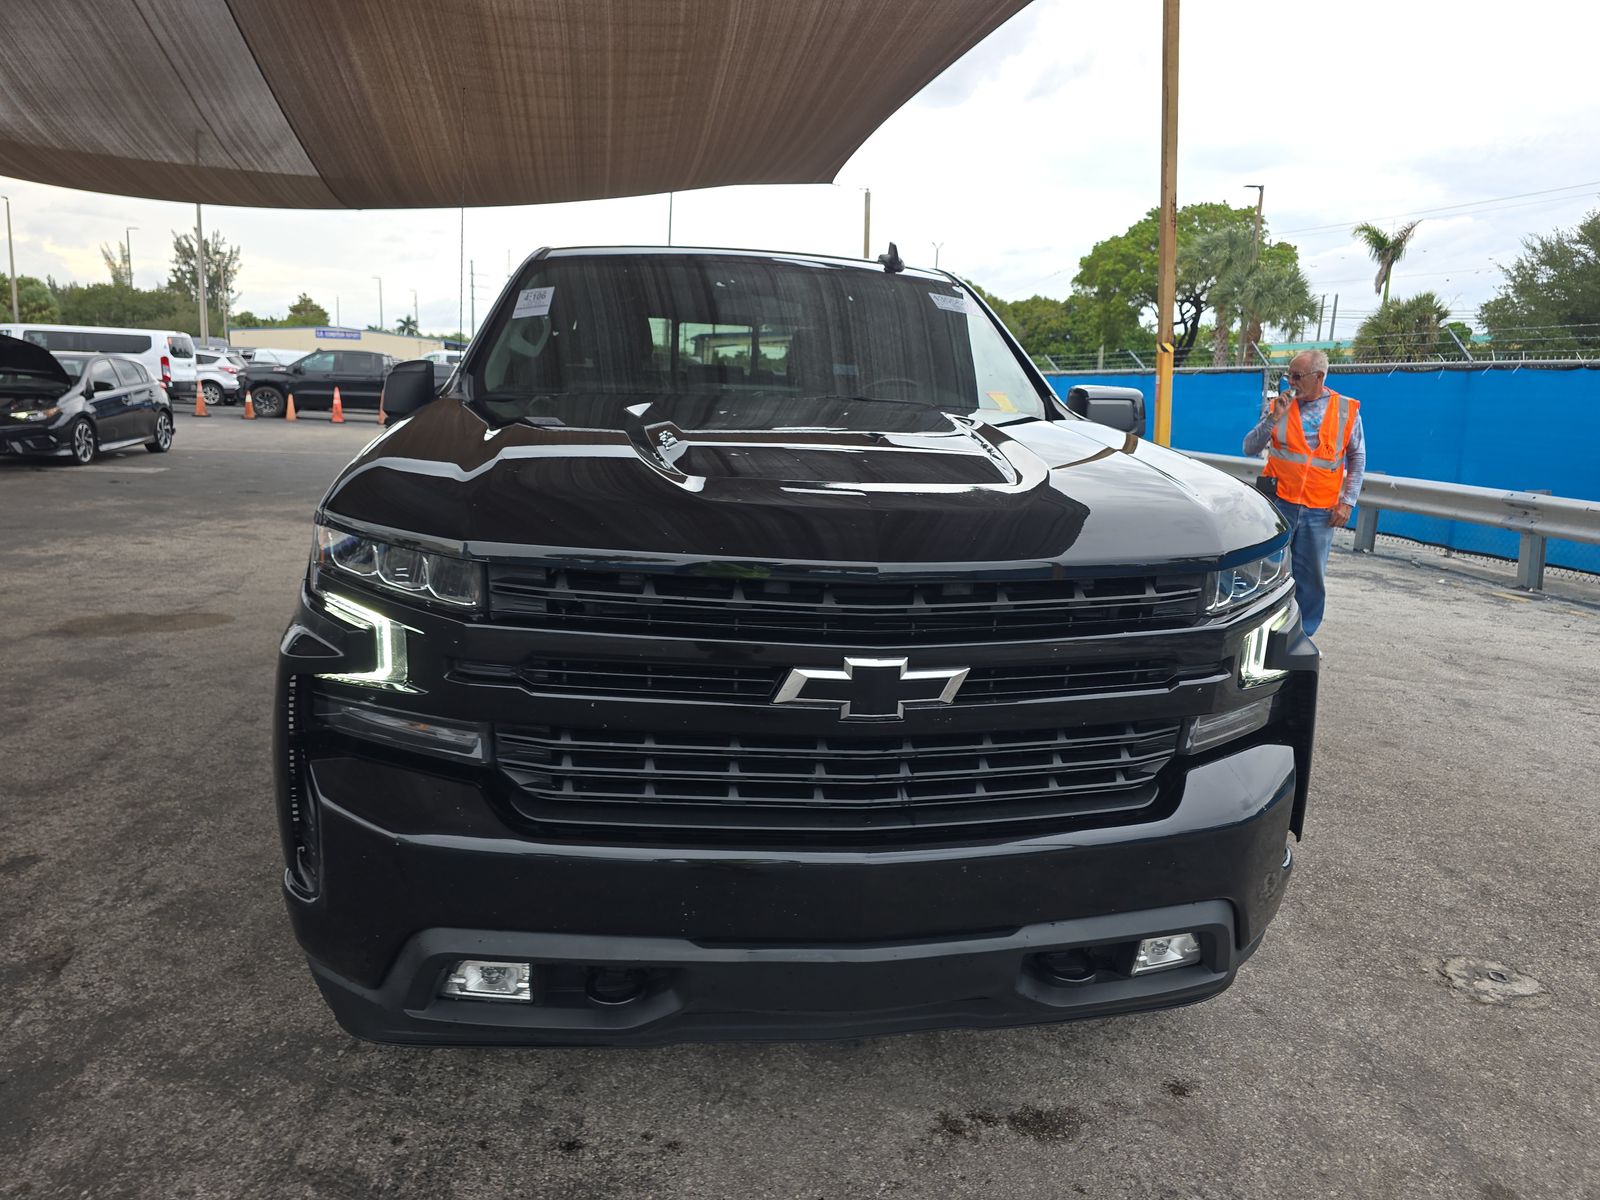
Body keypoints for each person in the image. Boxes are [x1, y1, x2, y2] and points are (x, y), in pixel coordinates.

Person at [1242, 349, 1365, 637]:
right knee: (1268, 572)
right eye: (1288, 375)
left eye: (1297, 376)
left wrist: (1347, 502)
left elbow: (1357, 459)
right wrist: (1273, 418)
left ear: (1319, 377)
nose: (1291, 382)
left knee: (1311, 580)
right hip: (1278, 505)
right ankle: (1263, 635)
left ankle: (1301, 638)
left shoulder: (1345, 410)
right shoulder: (1278, 406)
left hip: (1319, 510)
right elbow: (1249, 447)